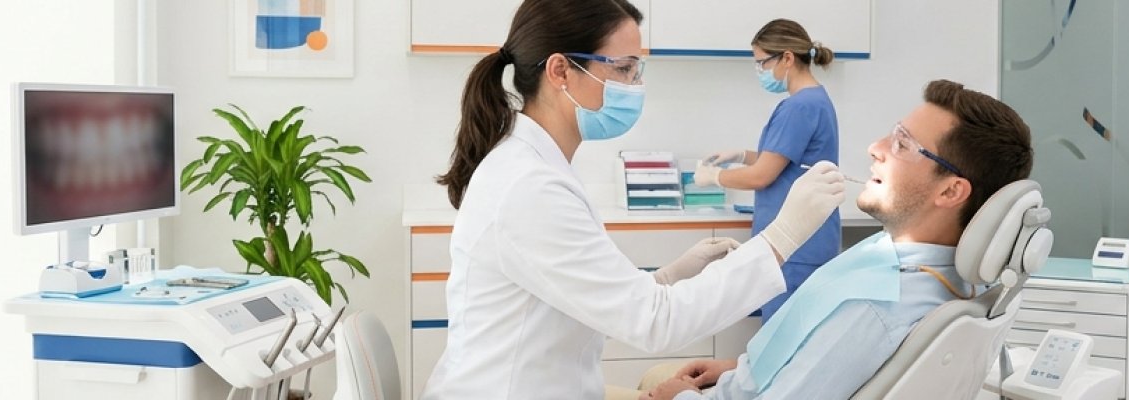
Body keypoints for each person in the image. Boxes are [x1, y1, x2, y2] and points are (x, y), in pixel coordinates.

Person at [425, 1, 848, 398]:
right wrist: (781, 239)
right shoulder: (530, 187)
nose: (636, 85)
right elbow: (654, 323)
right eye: (625, 68)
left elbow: (600, 297)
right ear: (560, 71)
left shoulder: (539, 167)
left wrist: (670, 276)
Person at [641, 80, 1035, 400]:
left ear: (950, 191)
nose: (875, 147)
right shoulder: (919, 267)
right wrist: (745, 369)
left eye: (902, 144)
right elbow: (826, 363)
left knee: (647, 380)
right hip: (745, 381)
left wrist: (678, 397)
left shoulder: (876, 307)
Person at [693, 19, 843, 320]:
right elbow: (786, 160)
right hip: (808, 243)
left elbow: (762, 176)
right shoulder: (815, 100)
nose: (760, 70)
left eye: (762, 62)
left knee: (782, 338)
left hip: (795, 249)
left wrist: (714, 177)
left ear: (787, 57)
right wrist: (743, 155)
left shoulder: (799, 107)